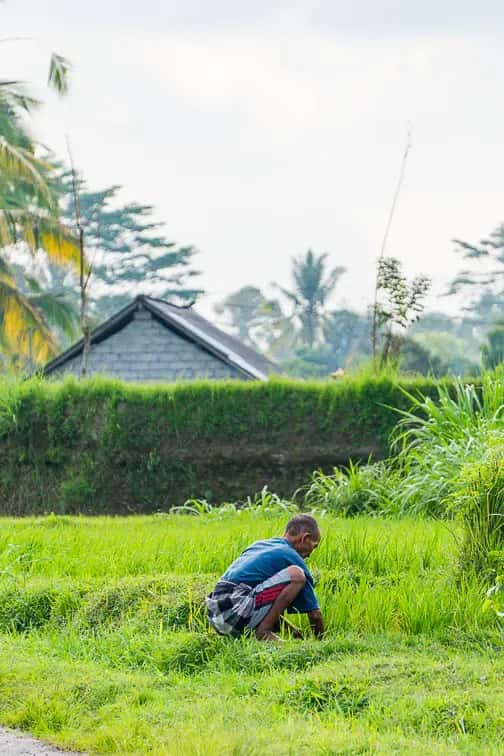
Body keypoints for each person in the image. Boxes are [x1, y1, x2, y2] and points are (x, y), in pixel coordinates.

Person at [206, 514, 324, 641]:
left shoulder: (260, 545)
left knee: (273, 585)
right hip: (233, 610)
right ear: (305, 538)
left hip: (216, 614)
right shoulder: (291, 556)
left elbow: (266, 600)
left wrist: (293, 633)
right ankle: (264, 631)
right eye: (314, 546)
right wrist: (320, 641)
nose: (311, 553)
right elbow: (315, 615)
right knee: (297, 575)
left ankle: (267, 630)